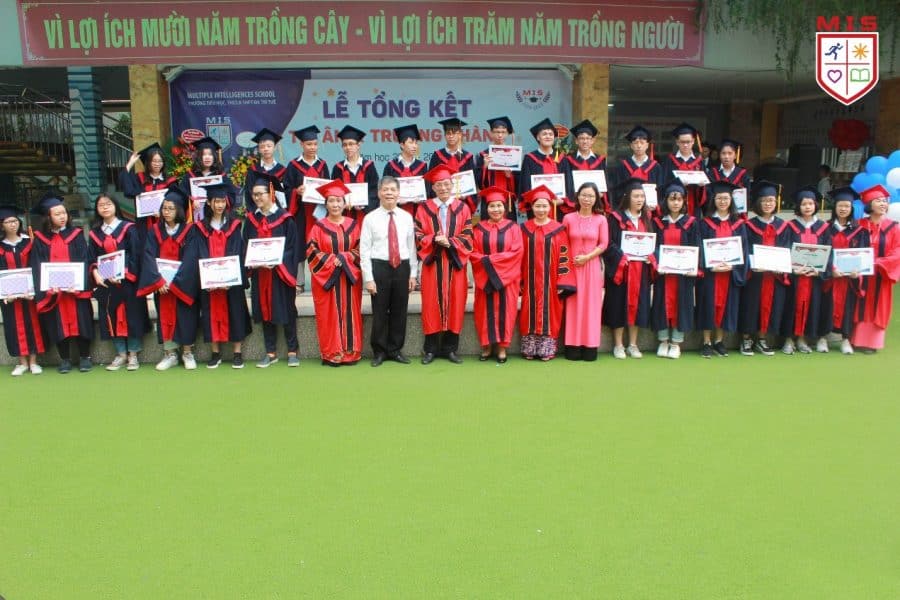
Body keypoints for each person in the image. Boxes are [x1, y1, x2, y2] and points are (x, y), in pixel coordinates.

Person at [137, 186, 200, 371]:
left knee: (186, 317)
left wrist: (176, 282)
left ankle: (187, 353)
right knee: (165, 316)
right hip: (162, 286)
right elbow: (148, 256)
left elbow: (191, 259)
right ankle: (170, 354)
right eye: (164, 208)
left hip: (183, 285)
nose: (166, 212)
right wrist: (158, 282)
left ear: (179, 210)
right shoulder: (154, 231)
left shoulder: (189, 230)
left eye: (171, 208)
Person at [30, 193, 94, 373]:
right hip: (54, 292)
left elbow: (84, 260)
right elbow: (38, 265)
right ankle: (64, 359)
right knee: (56, 323)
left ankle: (85, 357)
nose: (62, 216)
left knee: (82, 321)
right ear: (48, 217)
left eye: (64, 213)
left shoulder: (76, 235)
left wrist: (79, 284)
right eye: (57, 214)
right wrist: (48, 286)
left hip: (75, 291)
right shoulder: (40, 240)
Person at [415, 164, 473, 364]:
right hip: (433, 263)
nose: (443, 188)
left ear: (452, 185)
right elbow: (417, 234)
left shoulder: (463, 208)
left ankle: (450, 349)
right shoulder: (423, 208)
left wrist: (451, 242)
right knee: (430, 304)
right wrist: (433, 239)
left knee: (456, 303)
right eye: (439, 184)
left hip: (455, 263)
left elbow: (468, 234)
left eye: (446, 184)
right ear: (433, 187)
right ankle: (430, 349)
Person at [243, 171, 300, 367]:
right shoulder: (251, 220)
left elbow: (292, 247)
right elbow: (246, 246)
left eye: (261, 194)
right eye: (254, 194)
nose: (257, 198)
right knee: (265, 311)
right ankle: (270, 352)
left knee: (287, 310)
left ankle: (292, 350)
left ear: (271, 193)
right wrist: (254, 262)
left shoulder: (285, 218)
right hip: (260, 274)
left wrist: (277, 261)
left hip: (280, 274)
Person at [88, 194, 150, 371]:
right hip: (106, 283)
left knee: (132, 315)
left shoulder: (128, 228)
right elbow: (92, 258)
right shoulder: (94, 233)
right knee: (111, 316)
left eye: (108, 204)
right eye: (101, 205)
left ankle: (133, 354)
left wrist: (124, 273)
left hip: (128, 281)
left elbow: (135, 254)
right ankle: (121, 354)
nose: (105, 207)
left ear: (115, 206)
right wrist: (96, 273)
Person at [360, 176, 417, 367]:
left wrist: (413, 274)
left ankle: (395, 349)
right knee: (380, 311)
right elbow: (364, 250)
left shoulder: (407, 217)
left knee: (400, 310)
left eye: (393, 189)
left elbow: (411, 247)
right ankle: (379, 351)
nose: (389, 193)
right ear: (379, 193)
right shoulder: (370, 218)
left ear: (399, 193)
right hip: (380, 267)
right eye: (385, 189)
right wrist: (368, 278)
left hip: (402, 266)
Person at [194, 182, 252, 369]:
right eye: (216, 201)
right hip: (210, 282)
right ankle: (215, 353)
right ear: (209, 203)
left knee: (235, 311)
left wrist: (231, 278)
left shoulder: (234, 225)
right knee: (210, 313)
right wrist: (207, 278)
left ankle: (237, 353)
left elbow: (238, 251)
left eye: (222, 201)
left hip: (231, 281)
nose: (220, 205)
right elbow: (199, 253)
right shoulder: (200, 228)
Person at [307, 180, 363, 366]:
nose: (335, 204)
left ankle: (350, 351)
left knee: (350, 313)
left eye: (339, 200)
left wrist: (345, 257)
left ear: (345, 203)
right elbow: (311, 252)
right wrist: (333, 260)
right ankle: (332, 352)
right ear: (326, 204)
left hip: (349, 279)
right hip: (326, 279)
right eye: (331, 201)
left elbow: (362, 249)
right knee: (328, 315)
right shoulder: (318, 227)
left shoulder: (354, 225)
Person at [519, 185, 576, 360]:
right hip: (529, 281)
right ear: (532, 207)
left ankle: (546, 349)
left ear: (551, 207)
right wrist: (519, 280)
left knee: (550, 313)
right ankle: (529, 348)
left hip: (550, 282)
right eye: (538, 206)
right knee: (528, 311)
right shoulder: (524, 229)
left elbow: (565, 256)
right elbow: (519, 255)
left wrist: (563, 281)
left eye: (545, 206)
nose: (541, 210)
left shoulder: (558, 229)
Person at [738, 180, 791, 356]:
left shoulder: (783, 226)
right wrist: (752, 264)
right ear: (758, 203)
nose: (768, 204)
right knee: (751, 306)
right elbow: (744, 249)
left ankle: (762, 339)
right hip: (755, 276)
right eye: (764, 201)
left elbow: (787, 249)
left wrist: (782, 266)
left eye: (771, 200)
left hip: (774, 276)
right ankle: (746, 339)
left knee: (771, 306)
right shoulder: (748, 225)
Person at [696, 180, 748, 358]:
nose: (723, 201)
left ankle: (719, 341)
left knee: (726, 306)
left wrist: (733, 266)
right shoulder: (705, 224)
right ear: (714, 200)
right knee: (708, 306)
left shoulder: (739, 225)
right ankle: (706, 342)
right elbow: (700, 248)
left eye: (726, 198)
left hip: (729, 274)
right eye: (719, 198)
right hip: (711, 274)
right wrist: (709, 266)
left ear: (731, 200)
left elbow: (743, 250)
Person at [471, 185, 523, 363]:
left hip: (507, 280)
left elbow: (517, 253)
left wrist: (489, 261)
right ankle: (486, 346)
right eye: (492, 206)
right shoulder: (478, 229)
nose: (496, 209)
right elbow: (473, 253)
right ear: (487, 208)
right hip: (484, 279)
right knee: (483, 312)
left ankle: (502, 347)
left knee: (506, 312)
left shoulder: (514, 228)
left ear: (505, 207)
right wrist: (489, 264)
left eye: (499, 205)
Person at [603, 178, 654, 359]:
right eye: (636, 196)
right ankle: (618, 345)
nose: (640, 200)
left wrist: (651, 256)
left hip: (640, 271)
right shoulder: (615, 218)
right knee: (618, 305)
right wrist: (621, 257)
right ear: (627, 197)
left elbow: (653, 242)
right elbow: (608, 243)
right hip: (621, 270)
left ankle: (633, 344)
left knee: (638, 307)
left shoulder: (647, 219)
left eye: (642, 196)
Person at [650, 180, 698, 359]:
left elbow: (696, 247)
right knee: (661, 304)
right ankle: (663, 340)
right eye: (672, 199)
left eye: (679, 199)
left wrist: (694, 267)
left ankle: (676, 342)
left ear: (684, 201)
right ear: (666, 201)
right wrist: (657, 264)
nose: (676, 203)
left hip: (683, 275)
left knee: (681, 305)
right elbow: (653, 246)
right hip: (664, 274)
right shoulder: (657, 223)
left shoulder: (691, 223)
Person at [782, 186, 832, 354]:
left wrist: (819, 271)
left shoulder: (823, 228)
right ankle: (788, 340)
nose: (807, 207)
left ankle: (802, 339)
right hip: (795, 277)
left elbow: (828, 252)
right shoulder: (790, 226)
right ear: (798, 206)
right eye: (804, 204)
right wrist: (792, 269)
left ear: (815, 205)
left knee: (811, 307)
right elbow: (784, 249)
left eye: (810, 203)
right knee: (791, 306)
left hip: (813, 278)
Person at [851, 184, 900, 353]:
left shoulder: (894, 227)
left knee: (878, 305)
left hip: (881, 274)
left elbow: (898, 251)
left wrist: (880, 263)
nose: (883, 204)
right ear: (869, 204)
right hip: (860, 275)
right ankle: (855, 339)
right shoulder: (858, 225)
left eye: (885, 201)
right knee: (858, 304)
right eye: (878, 201)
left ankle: (872, 343)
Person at [562, 181, 607, 361]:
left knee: (591, 306)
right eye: (584, 195)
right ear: (578, 196)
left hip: (592, 267)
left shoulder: (601, 219)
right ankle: (572, 346)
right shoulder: (568, 218)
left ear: (596, 199)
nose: (587, 199)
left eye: (591, 196)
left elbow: (603, 244)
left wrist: (587, 257)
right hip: (572, 268)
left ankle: (590, 346)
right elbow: (563, 243)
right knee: (573, 305)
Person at [283, 125, 329, 293]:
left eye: (315, 144)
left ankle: (322, 279)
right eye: (309, 144)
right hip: (300, 213)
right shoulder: (293, 165)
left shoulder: (322, 164)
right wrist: (296, 191)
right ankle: (300, 282)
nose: (312, 147)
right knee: (299, 246)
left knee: (320, 245)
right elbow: (286, 189)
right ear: (301, 144)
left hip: (318, 213)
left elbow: (328, 188)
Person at [0, 205, 44, 375]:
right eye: (8, 222)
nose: (12, 224)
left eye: (14, 221)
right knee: (13, 326)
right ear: (2, 225)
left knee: (33, 324)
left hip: (30, 295)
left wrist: (34, 290)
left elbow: (37, 267)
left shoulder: (29, 243)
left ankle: (33, 362)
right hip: (9, 297)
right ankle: (22, 363)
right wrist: (5, 295)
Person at [826, 187, 868, 355]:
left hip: (849, 279)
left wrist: (858, 271)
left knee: (848, 307)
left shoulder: (859, 231)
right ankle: (822, 337)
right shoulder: (825, 228)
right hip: (830, 278)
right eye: (840, 205)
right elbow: (823, 252)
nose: (843, 209)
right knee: (826, 305)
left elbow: (863, 255)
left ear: (851, 208)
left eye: (847, 206)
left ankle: (845, 339)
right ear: (834, 207)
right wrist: (831, 269)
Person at [118, 142, 176, 241]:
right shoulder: (140, 178)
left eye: (160, 161)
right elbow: (128, 190)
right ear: (148, 162)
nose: (157, 164)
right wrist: (130, 163)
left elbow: (175, 201)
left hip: (164, 223)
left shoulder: (170, 181)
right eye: (154, 161)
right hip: (144, 224)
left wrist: (163, 212)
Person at [519, 118, 572, 220]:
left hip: (558, 208)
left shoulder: (562, 158)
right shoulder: (530, 159)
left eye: (551, 134)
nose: (548, 136)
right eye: (544, 134)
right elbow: (526, 184)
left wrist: (563, 200)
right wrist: (536, 200)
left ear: (554, 137)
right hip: (538, 207)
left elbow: (568, 183)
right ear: (538, 137)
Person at [429, 118, 477, 215]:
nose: (451, 136)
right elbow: (431, 181)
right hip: (441, 204)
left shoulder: (467, 157)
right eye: (448, 133)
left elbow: (473, 182)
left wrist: (467, 195)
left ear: (460, 135)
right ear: (445, 135)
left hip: (462, 203)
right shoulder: (437, 156)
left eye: (454, 133)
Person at [382, 124, 428, 218]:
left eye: (416, 143)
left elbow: (428, 190)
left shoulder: (422, 166)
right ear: (402, 145)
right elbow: (385, 190)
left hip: (418, 214)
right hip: (396, 213)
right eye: (411, 143)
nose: (414, 146)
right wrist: (396, 199)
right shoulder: (391, 166)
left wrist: (422, 198)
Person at [475, 116, 517, 219]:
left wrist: (509, 175)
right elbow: (479, 184)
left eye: (503, 132)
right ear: (491, 133)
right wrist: (485, 167)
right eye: (497, 132)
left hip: (507, 200)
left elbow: (519, 184)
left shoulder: (514, 154)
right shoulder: (483, 155)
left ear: (507, 133)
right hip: (488, 201)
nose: (500, 135)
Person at [331, 124, 379, 213]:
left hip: (365, 215)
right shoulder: (338, 168)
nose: (348, 148)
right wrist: (342, 203)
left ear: (358, 145)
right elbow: (334, 192)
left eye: (351, 144)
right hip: (344, 215)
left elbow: (374, 191)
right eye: (344, 145)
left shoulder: (369, 166)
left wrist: (363, 205)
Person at [179, 137, 228, 223]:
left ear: (214, 157)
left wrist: (219, 201)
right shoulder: (190, 176)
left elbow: (230, 195)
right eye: (204, 155)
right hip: (196, 217)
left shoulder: (221, 176)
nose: (207, 157)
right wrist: (192, 201)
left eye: (210, 154)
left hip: (216, 218)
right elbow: (181, 194)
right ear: (199, 157)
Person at [565, 119, 609, 211]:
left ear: (592, 140)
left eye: (588, 138)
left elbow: (606, 184)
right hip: (575, 204)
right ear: (576, 141)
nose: (585, 141)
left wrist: (602, 194)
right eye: (581, 138)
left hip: (595, 204)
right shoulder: (568, 160)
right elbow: (567, 183)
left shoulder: (600, 160)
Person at [664, 122, 706, 216]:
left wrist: (701, 187)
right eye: (682, 142)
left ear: (693, 141)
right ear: (677, 142)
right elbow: (665, 183)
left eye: (688, 142)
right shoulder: (670, 160)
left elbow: (704, 190)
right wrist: (678, 184)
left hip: (693, 203)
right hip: (674, 202)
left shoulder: (699, 161)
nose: (686, 145)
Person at [244, 128, 287, 209]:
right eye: (262, 147)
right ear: (259, 149)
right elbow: (249, 194)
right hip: (259, 212)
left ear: (274, 148)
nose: (266, 149)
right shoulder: (253, 170)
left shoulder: (283, 170)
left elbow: (287, 194)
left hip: (278, 212)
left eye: (269, 146)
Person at [709, 139, 752, 216]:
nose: (726, 156)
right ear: (719, 155)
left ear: (735, 155)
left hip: (736, 215)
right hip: (716, 215)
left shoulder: (743, 174)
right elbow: (708, 195)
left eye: (730, 153)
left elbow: (747, 197)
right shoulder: (712, 173)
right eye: (723, 153)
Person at [612, 125, 662, 190]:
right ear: (631, 145)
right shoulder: (623, 166)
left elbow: (660, 189)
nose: (639, 146)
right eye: (636, 143)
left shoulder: (656, 167)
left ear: (647, 145)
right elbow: (618, 189)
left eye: (642, 143)